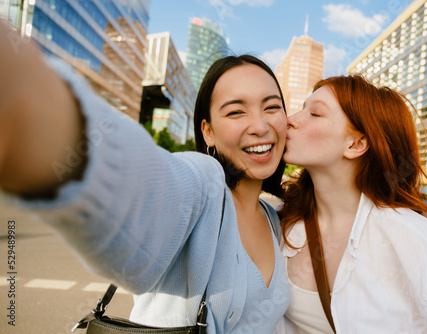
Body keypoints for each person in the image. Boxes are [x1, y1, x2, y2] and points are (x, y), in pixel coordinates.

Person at [0, 23, 290, 333]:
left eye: (272, 107)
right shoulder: (203, 183)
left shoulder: (274, 220)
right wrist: (37, 108)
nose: (260, 126)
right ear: (208, 131)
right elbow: (137, 195)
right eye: (236, 112)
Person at [277, 74, 427, 333]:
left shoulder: (423, 244)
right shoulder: (282, 222)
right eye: (302, 109)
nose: (289, 120)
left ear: (356, 144)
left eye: (315, 114)